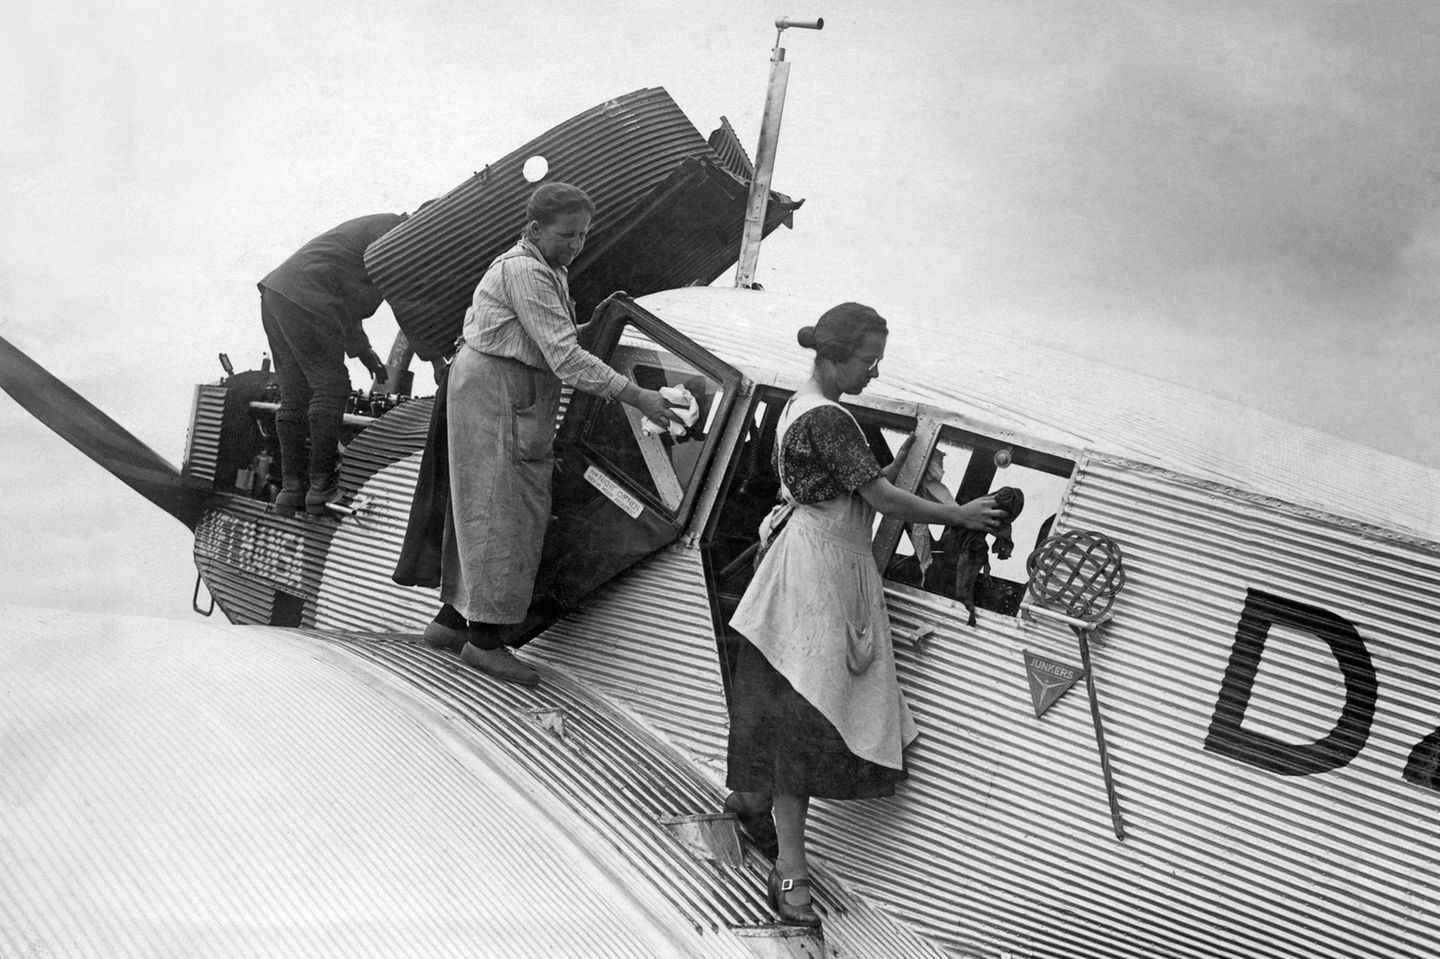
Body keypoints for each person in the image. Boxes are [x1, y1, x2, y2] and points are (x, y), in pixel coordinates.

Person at [723, 302, 1005, 929]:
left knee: (798, 705)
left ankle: (752, 803)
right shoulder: (830, 418)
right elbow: (876, 497)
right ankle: (790, 868)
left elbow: (851, 489)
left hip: (810, 563)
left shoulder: (800, 405)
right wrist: (960, 515)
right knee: (807, 711)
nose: (874, 373)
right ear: (834, 354)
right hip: (818, 575)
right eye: (867, 361)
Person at [421, 182, 677, 686]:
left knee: (483, 503)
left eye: (583, 235)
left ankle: (452, 622)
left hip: (497, 383)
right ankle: (485, 643)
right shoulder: (525, 271)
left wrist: (597, 321)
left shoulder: (546, 268)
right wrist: (640, 396)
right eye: (567, 235)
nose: (576, 245)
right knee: (505, 508)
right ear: (535, 229)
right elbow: (563, 357)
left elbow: (546, 334)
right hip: (499, 389)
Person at [259, 213, 401, 517]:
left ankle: (291, 489)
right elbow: (407, 303)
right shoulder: (398, 234)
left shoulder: (377, 227)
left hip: (277, 294)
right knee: (332, 388)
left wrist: (365, 352)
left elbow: (342, 294)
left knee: (294, 395)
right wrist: (435, 359)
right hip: (307, 296)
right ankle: (321, 487)